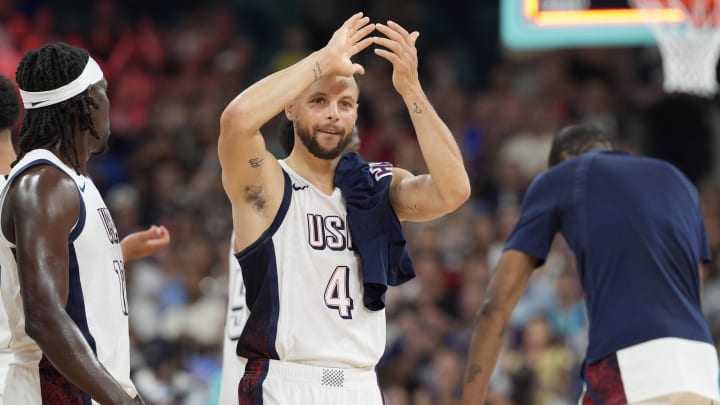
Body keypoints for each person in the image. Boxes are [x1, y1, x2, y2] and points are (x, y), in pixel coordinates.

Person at [218, 12, 470, 404]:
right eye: (319, 101)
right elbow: (236, 122)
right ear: (290, 109)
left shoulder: (376, 186)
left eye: (346, 103)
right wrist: (321, 60)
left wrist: (411, 90)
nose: (334, 114)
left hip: (360, 385)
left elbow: (454, 191)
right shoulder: (266, 184)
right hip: (286, 382)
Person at [461, 124, 720, 405]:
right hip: (702, 369)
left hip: (633, 366)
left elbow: (496, 305)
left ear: (563, 161)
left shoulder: (562, 177)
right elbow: (697, 276)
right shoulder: (678, 180)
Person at [0, 43, 168, 405]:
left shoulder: (74, 182)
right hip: (54, 394)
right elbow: (44, 316)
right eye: (105, 92)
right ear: (88, 101)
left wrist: (118, 254)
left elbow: (76, 283)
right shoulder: (42, 185)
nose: (112, 103)